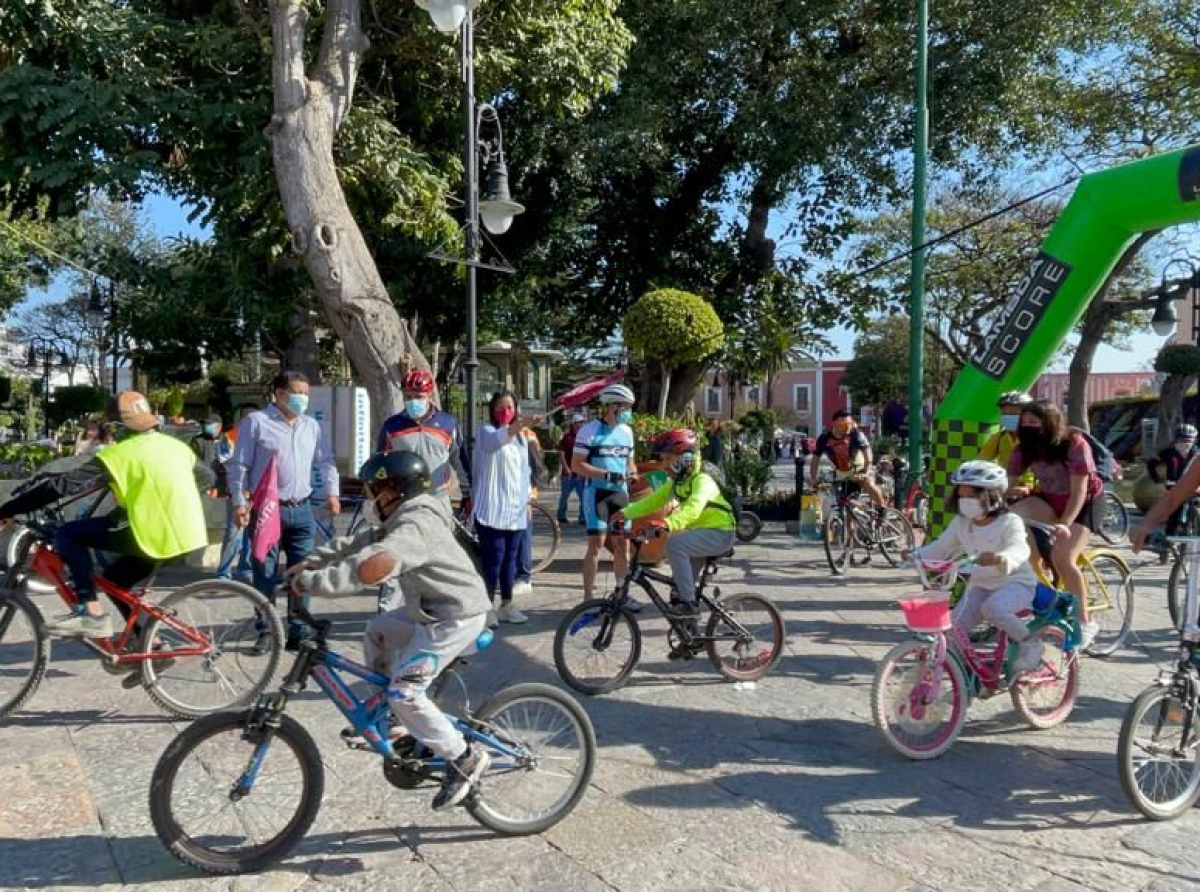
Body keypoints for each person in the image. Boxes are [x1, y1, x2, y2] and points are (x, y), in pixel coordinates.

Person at [289, 450, 491, 811]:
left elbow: (372, 566)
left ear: (396, 490)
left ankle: (464, 757)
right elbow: (361, 542)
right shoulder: (405, 514)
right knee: (378, 631)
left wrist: (314, 582)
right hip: (429, 608)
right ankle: (393, 720)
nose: (371, 499)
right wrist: (313, 561)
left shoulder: (415, 527)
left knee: (406, 691)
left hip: (455, 616)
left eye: (375, 491)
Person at [0, 391, 212, 638]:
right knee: (115, 582)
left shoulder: (118, 455)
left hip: (150, 531)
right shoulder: (175, 446)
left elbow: (62, 486)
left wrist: (7, 509)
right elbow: (208, 477)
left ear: (116, 426)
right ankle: (149, 643)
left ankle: (92, 614)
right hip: (188, 532)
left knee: (67, 535)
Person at [227, 372, 340, 649]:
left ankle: (298, 630)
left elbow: (326, 460)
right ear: (278, 394)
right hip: (267, 511)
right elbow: (238, 465)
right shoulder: (256, 423)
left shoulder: (311, 426)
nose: (302, 399)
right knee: (264, 571)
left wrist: (333, 492)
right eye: (297, 392)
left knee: (303, 572)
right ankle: (266, 629)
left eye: (306, 393)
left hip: (302, 509)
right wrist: (239, 503)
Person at [913, 461, 1045, 671]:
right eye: (962, 495)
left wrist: (1002, 558)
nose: (966, 501)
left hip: (1015, 583)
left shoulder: (1010, 521)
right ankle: (965, 678)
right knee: (952, 628)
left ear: (992, 495)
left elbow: (1020, 549)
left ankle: (1031, 644)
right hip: (981, 585)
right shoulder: (961, 523)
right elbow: (941, 547)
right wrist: (914, 555)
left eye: (973, 496)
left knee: (993, 608)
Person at [1005, 400, 1103, 649]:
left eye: (1033, 423)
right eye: (1024, 422)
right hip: (1049, 500)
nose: (1027, 427)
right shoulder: (1023, 447)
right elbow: (1007, 482)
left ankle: (1085, 621)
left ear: (1049, 423)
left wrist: (1065, 523)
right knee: (1012, 522)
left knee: (1063, 556)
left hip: (1084, 505)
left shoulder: (1073, 443)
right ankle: (1041, 589)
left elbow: (1080, 489)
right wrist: (1005, 494)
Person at [620, 428, 736, 634]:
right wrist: (625, 513)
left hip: (720, 533)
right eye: (663, 459)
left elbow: (693, 509)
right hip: (701, 534)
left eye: (668, 459)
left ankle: (690, 608)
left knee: (675, 544)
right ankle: (690, 636)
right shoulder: (677, 482)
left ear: (687, 457)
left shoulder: (702, 480)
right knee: (679, 590)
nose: (664, 464)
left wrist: (667, 523)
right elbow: (653, 501)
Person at [472, 391, 538, 626]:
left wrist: (528, 500)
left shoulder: (521, 438)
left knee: (510, 560)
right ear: (492, 410)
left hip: (515, 511)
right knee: (493, 559)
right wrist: (518, 426)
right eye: (500, 407)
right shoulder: (486, 432)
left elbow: (524, 473)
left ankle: (507, 605)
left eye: (510, 407)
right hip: (491, 510)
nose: (505, 411)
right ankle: (486, 608)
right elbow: (493, 444)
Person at [573, 383, 638, 603]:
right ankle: (588, 597)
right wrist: (607, 475)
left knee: (623, 544)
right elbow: (577, 465)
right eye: (626, 407)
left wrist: (632, 474)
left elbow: (631, 463)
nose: (629, 412)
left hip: (620, 495)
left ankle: (621, 593)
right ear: (612, 407)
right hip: (597, 493)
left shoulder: (627, 432)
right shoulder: (589, 430)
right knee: (597, 544)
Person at [375, 369, 470, 507]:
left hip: (438, 500)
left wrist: (467, 493)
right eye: (408, 397)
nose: (413, 401)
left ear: (429, 395)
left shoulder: (448, 424)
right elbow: (380, 461)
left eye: (418, 396)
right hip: (403, 502)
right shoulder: (392, 426)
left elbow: (460, 461)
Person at [808, 410, 886, 508]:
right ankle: (862, 509)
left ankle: (882, 509)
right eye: (844, 424)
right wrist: (813, 478)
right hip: (842, 472)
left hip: (860, 468)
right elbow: (815, 459)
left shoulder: (856, 435)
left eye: (850, 423)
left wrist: (866, 472)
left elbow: (868, 454)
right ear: (835, 424)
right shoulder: (824, 438)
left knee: (868, 484)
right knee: (846, 505)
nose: (848, 427)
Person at [215, 404, 256, 583]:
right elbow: (226, 461)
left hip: (255, 492)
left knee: (251, 533)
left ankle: (245, 568)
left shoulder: (260, 436)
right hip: (237, 491)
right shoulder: (230, 436)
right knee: (234, 532)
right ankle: (223, 572)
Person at [1146, 424, 1199, 536]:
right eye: (1182, 440)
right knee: (1174, 513)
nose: (1185, 444)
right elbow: (1151, 464)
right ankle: (1170, 538)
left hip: (1193, 485)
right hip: (1174, 486)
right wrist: (1158, 481)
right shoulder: (1168, 453)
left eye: (1189, 441)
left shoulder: (1196, 453)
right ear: (1176, 440)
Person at [513, 423, 547, 597]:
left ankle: (524, 577)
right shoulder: (496, 433)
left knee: (523, 536)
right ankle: (512, 575)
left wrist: (532, 492)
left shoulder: (527, 434)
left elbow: (537, 465)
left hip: (524, 493)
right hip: (506, 495)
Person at [978, 391, 1034, 476]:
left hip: (1034, 486)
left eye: (1013, 414)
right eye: (1004, 413)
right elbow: (981, 461)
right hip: (1004, 484)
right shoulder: (999, 437)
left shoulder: (1038, 437)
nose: (1008, 417)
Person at [556, 413, 586, 524]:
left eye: (582, 423)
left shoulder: (584, 438)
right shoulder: (566, 437)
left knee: (583, 497)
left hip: (580, 474)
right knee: (564, 497)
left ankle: (582, 518)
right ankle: (561, 516)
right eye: (579, 423)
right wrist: (566, 468)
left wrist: (584, 470)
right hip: (568, 474)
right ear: (573, 424)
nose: (581, 425)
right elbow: (561, 454)